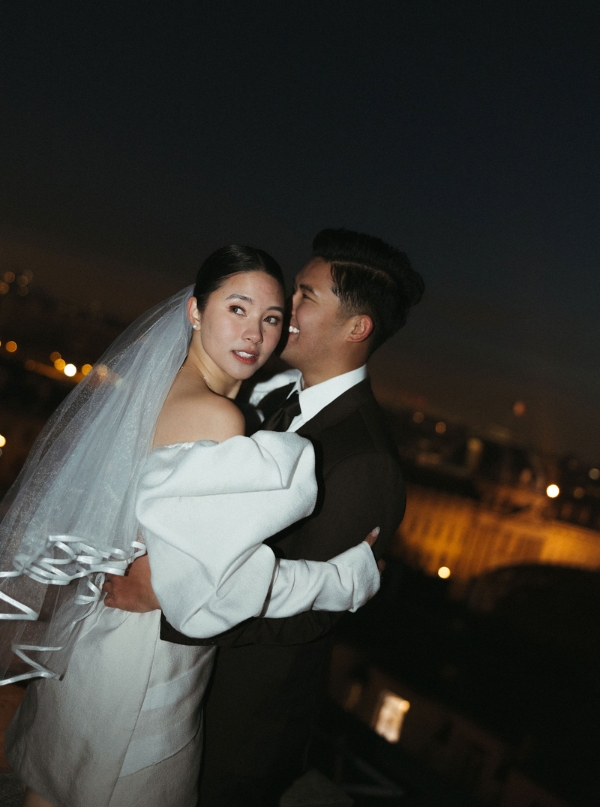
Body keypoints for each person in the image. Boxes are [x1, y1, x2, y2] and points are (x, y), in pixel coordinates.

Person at [2, 245, 382, 807]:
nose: (254, 333)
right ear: (195, 311)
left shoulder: (158, 391)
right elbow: (221, 587)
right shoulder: (219, 418)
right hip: (147, 659)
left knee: (56, 788)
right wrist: (346, 578)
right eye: (237, 309)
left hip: (97, 636)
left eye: (271, 319)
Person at [108, 228, 424, 806]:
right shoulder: (278, 398)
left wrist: (170, 593)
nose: (286, 308)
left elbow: (308, 617)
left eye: (305, 296)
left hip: (243, 720)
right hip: (192, 683)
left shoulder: (364, 460)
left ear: (357, 327)